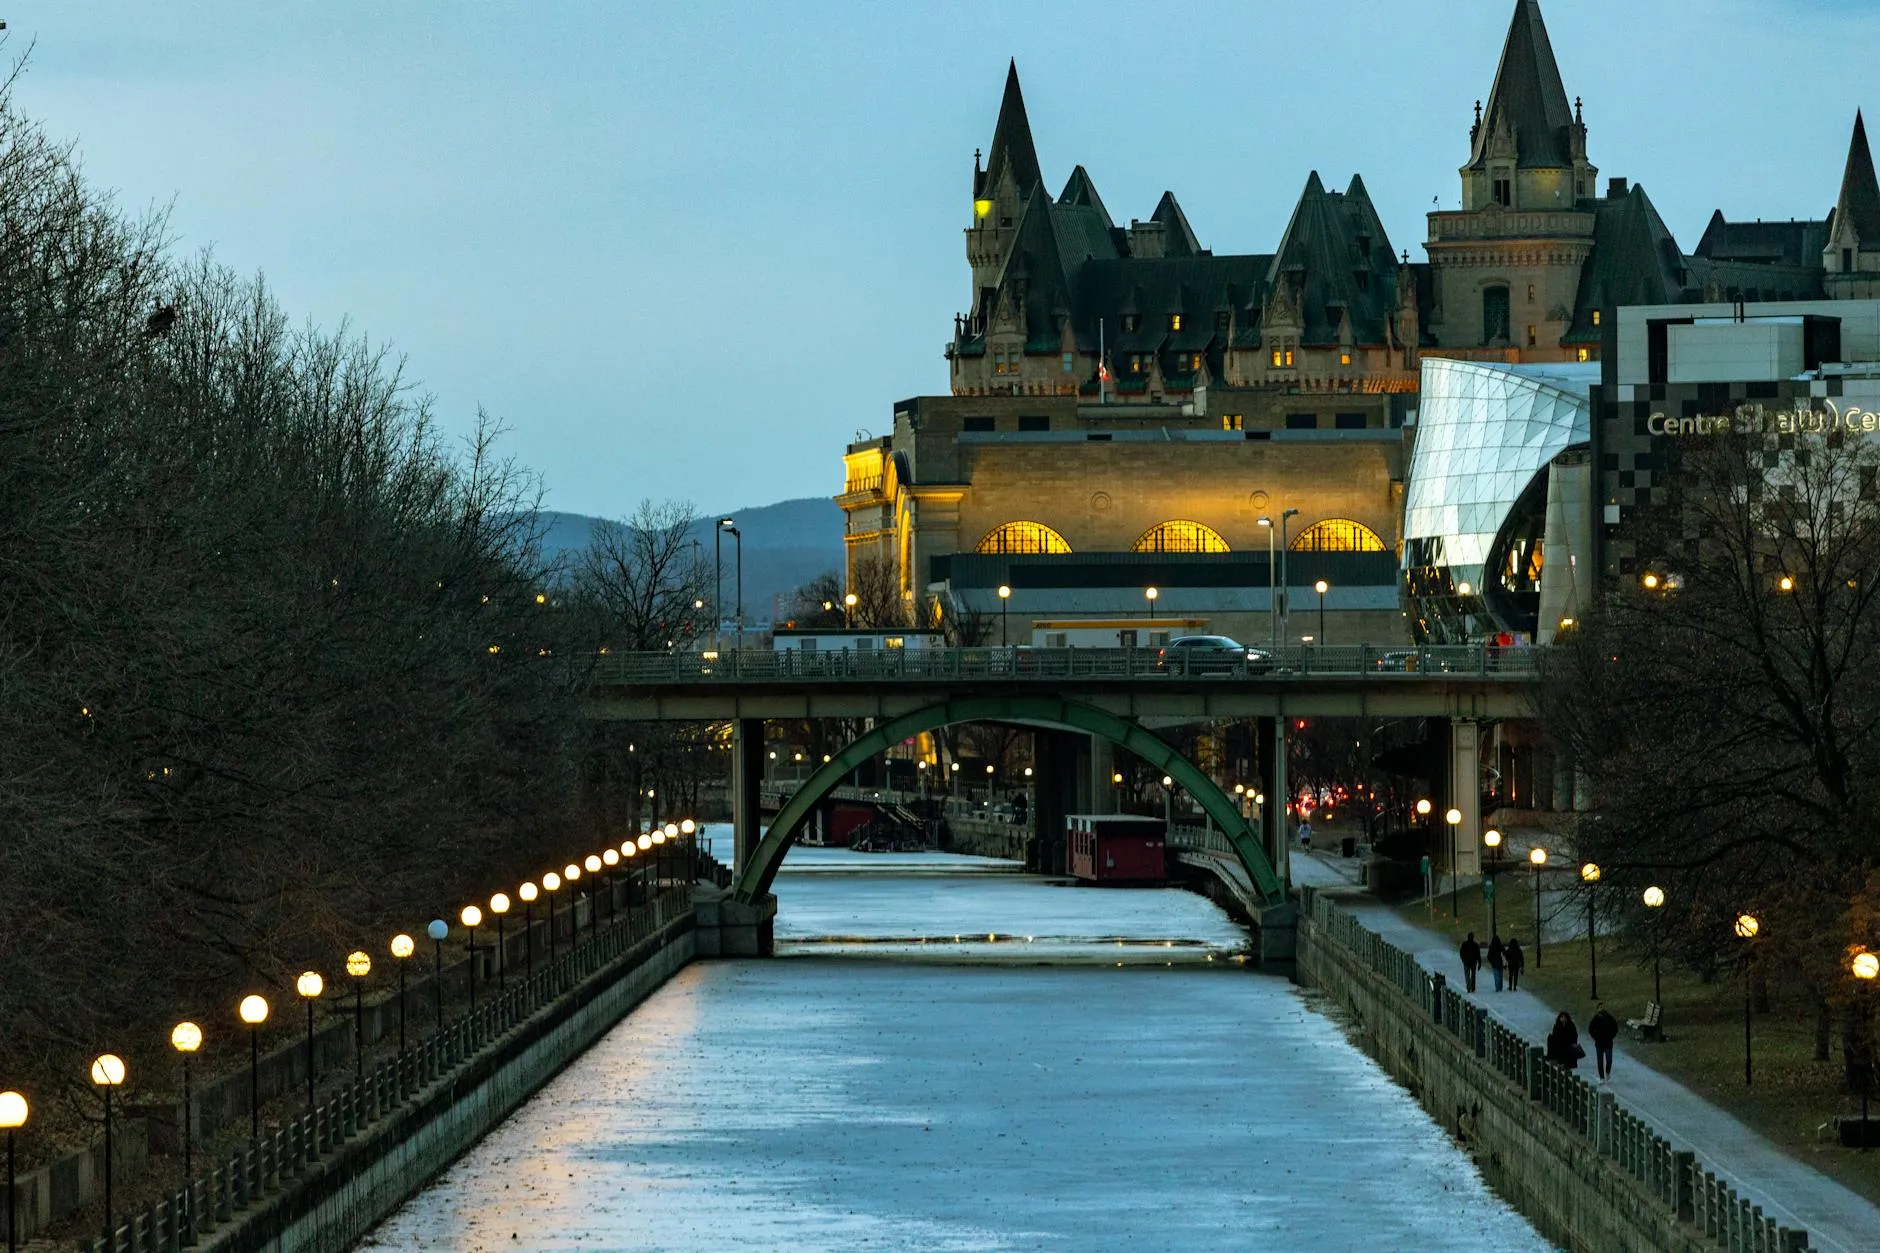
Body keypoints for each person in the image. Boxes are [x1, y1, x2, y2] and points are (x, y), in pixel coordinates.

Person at [1588, 1003, 1619, 1080]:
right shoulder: (1595, 1019)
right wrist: (1595, 1037)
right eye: (1599, 1007)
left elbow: (1615, 1028)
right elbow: (1591, 1029)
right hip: (1599, 1043)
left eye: (1602, 1007)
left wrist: (1611, 1036)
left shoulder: (1610, 1018)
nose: (1601, 1009)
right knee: (1600, 1061)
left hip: (1608, 1042)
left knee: (1609, 1060)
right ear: (1597, 1009)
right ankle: (1601, 1077)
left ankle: (1608, 1072)